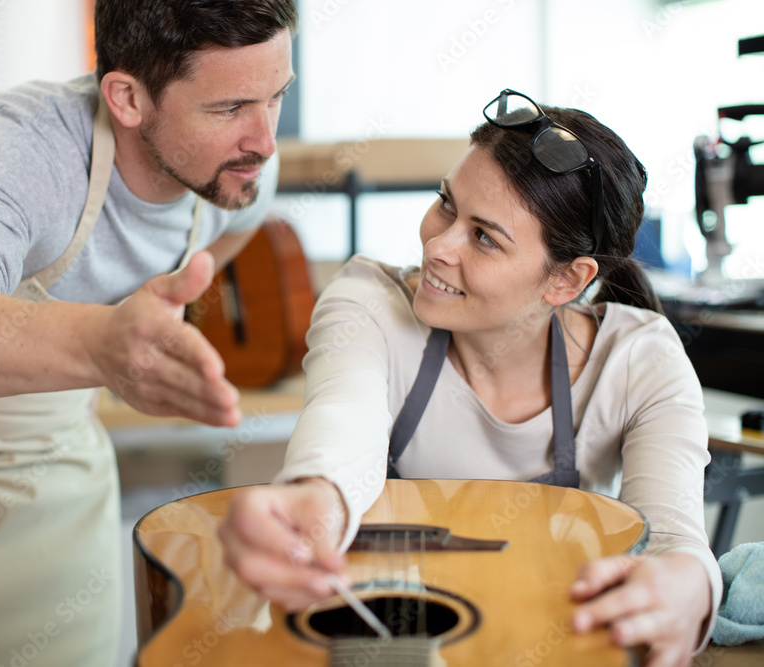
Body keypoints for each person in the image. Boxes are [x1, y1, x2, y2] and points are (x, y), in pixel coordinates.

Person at [0, 1, 297, 665]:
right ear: (127, 98)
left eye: (277, 97)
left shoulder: (241, 174)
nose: (266, 139)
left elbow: (232, 232)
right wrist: (101, 347)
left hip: (57, 440)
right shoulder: (20, 147)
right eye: (230, 108)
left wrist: (115, 346)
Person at [219, 89, 721, 667]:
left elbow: (674, 537)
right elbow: (342, 429)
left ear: (566, 280)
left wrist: (687, 588)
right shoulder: (369, 303)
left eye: (484, 237)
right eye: (445, 204)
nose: (437, 245)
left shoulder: (638, 360)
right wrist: (314, 502)